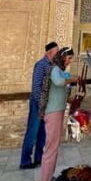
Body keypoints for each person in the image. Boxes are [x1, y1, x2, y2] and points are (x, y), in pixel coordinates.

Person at [37, 46, 75, 181]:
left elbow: (62, 90)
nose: (70, 61)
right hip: (52, 113)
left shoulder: (60, 70)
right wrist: (72, 79)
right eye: (69, 58)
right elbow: (59, 82)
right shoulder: (54, 70)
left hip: (57, 112)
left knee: (54, 148)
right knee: (51, 149)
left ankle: (48, 179)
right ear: (63, 57)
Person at [19, 41, 59, 170]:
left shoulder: (53, 66)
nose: (58, 54)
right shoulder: (41, 65)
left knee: (43, 132)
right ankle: (25, 161)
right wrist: (40, 104)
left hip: (47, 104)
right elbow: (36, 86)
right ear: (50, 52)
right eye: (56, 51)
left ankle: (39, 158)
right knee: (32, 132)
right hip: (38, 104)